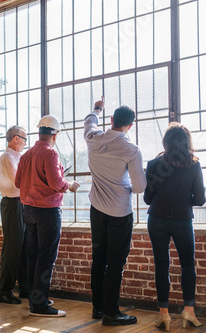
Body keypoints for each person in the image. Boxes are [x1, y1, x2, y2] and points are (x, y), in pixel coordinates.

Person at [84, 97, 146, 326]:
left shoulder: (93, 138)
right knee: (116, 262)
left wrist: (97, 108)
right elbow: (139, 188)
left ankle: (97, 308)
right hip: (120, 213)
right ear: (130, 126)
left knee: (98, 258)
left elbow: (89, 121)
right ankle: (112, 312)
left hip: (96, 211)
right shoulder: (131, 149)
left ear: (111, 120)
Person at [15, 115, 80, 317]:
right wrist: (69, 185)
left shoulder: (26, 155)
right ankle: (40, 305)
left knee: (33, 257)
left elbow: (18, 183)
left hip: (29, 212)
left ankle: (35, 300)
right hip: (48, 213)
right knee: (46, 259)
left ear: (39, 132)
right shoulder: (50, 154)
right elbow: (55, 183)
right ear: (56, 134)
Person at [144, 123, 206, 331]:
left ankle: (164, 314)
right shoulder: (194, 165)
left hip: (157, 220)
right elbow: (200, 199)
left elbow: (147, 198)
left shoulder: (153, 165)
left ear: (166, 142)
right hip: (182, 220)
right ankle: (189, 311)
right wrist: (184, 199)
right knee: (188, 265)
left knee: (162, 266)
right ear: (186, 142)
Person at [0, 126, 29, 304]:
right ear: (15, 138)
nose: (25, 143)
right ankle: (4, 291)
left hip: (22, 204)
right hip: (12, 204)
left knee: (24, 248)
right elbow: (18, 183)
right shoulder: (7, 157)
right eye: (24, 139)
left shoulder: (20, 157)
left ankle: (26, 289)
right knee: (12, 248)